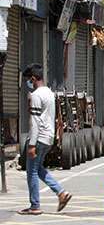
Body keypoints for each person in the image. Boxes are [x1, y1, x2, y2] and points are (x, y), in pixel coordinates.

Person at [18, 64, 72, 215]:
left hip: (39, 137)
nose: (29, 83)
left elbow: (34, 122)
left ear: (34, 79)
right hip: (48, 137)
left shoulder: (36, 95)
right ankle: (61, 193)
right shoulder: (49, 92)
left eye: (29, 80)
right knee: (37, 169)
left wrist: (32, 145)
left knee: (32, 172)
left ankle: (35, 205)